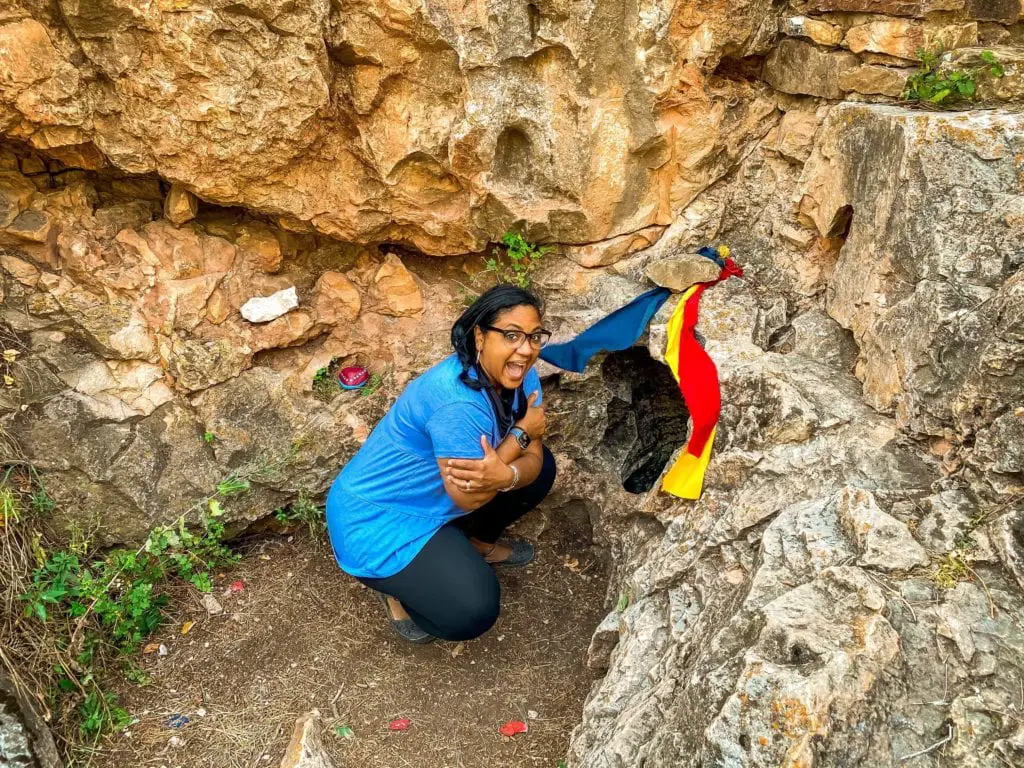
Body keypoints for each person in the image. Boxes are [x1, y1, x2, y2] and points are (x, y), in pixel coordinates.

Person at [325, 284, 556, 644]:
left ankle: (476, 544)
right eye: (511, 335)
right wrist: (520, 437)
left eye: (534, 336)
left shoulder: (521, 373)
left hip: (436, 496)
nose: (526, 349)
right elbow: (471, 496)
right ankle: (399, 590)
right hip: (379, 518)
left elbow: (536, 453)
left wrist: (506, 473)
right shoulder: (458, 404)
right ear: (480, 336)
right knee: (471, 611)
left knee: (541, 471)